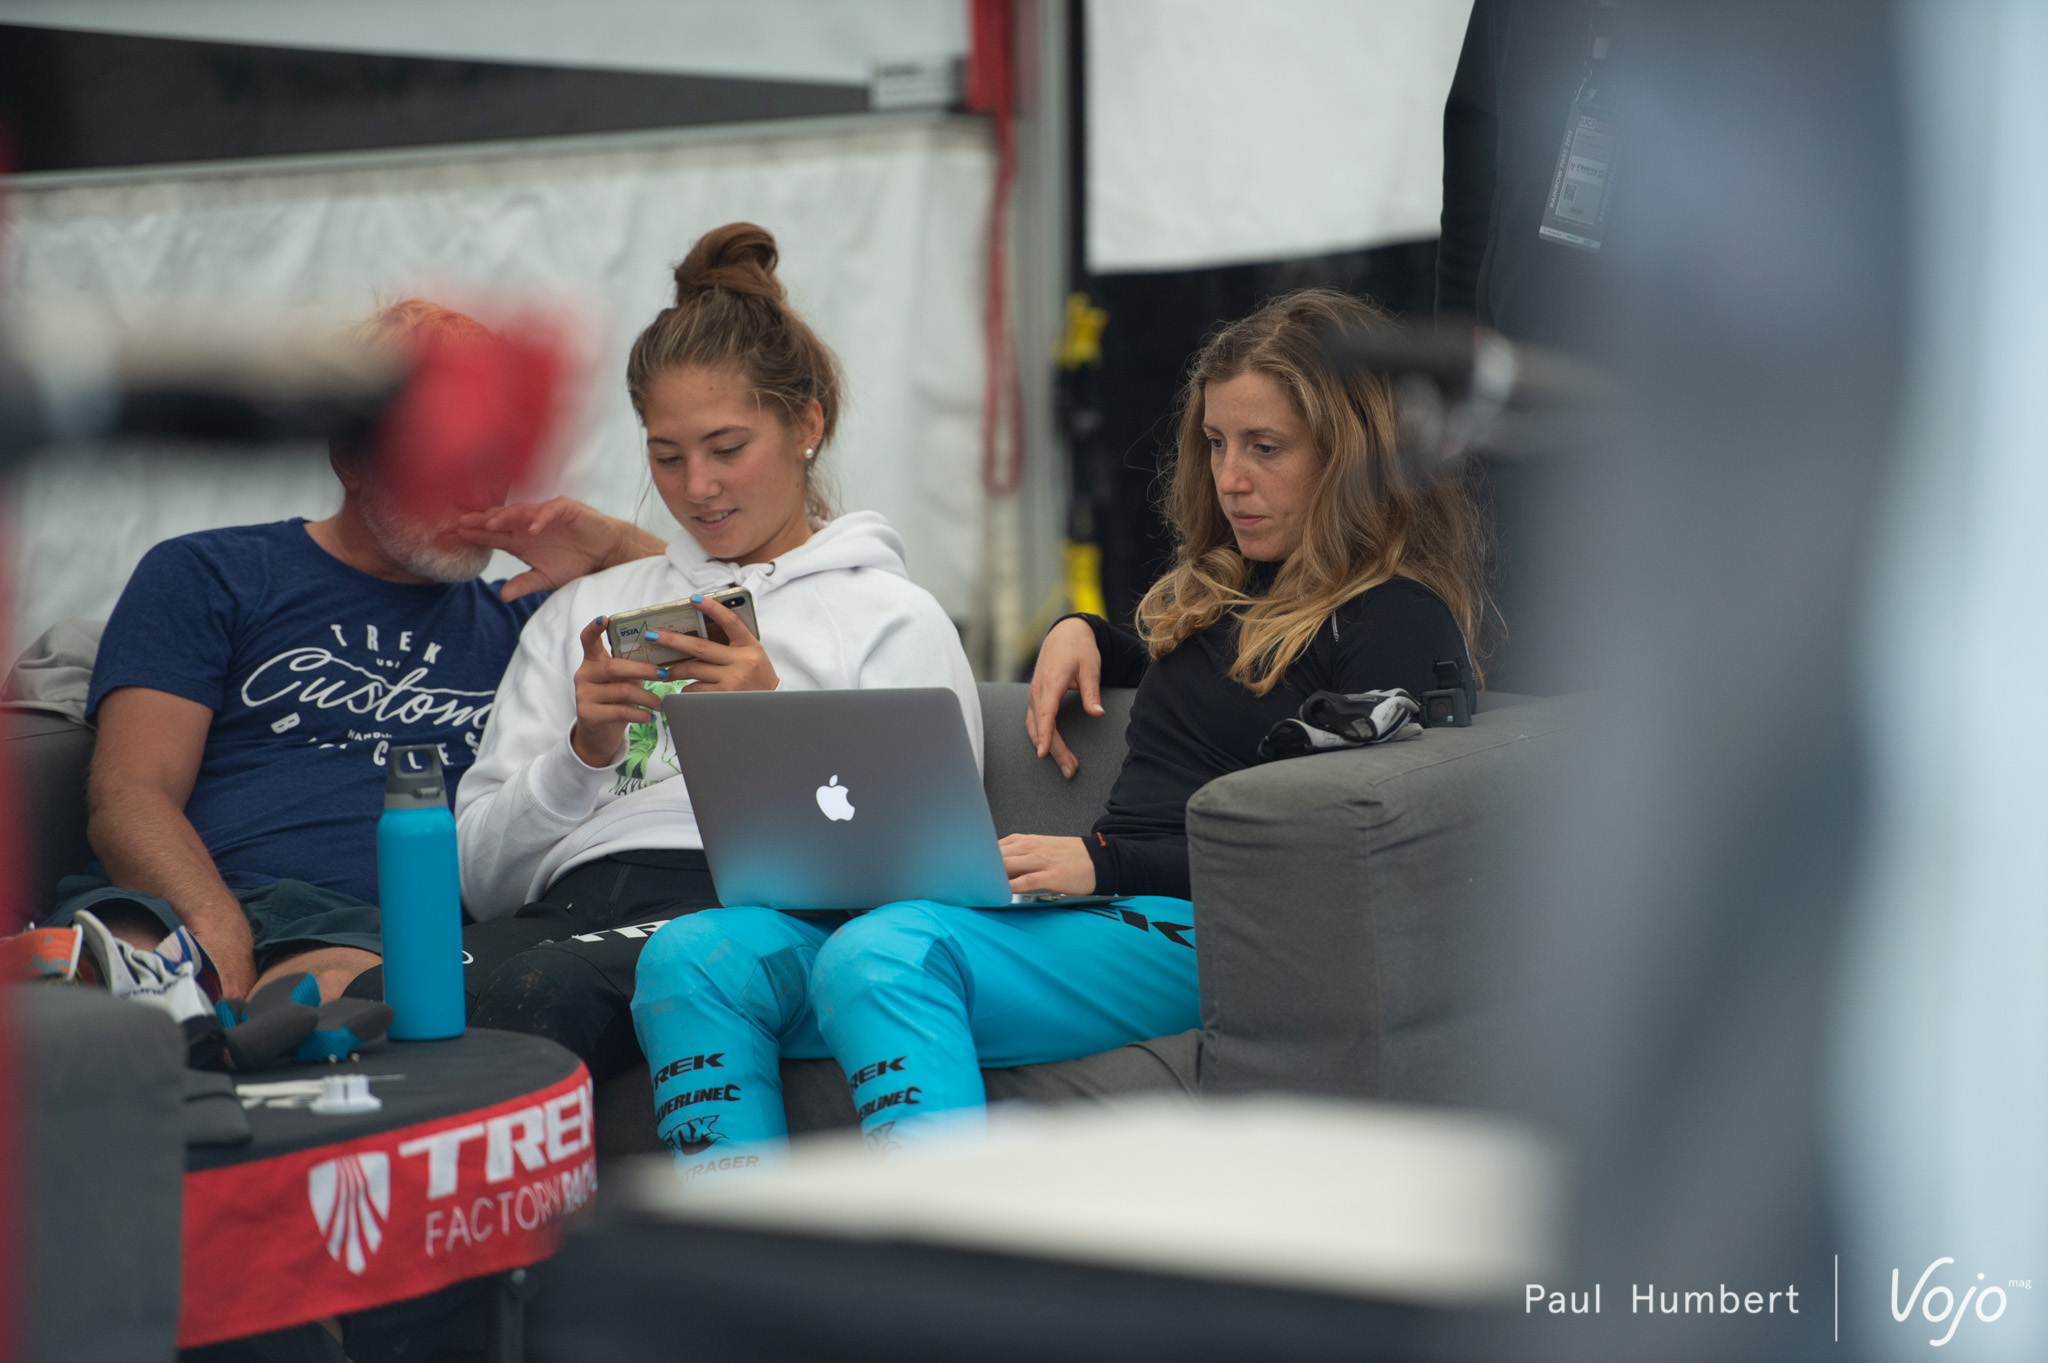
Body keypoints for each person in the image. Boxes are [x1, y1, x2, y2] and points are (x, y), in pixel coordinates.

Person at [629, 287, 1489, 1179]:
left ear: (1351, 455)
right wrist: (1090, 632)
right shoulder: (1236, 590)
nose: (1230, 477)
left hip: (1204, 932)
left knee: (887, 954)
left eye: (1265, 448)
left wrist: (1106, 862)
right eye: (1215, 442)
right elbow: (1219, 683)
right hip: (1103, 911)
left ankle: (940, 1255)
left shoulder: (1397, 618)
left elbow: (1339, 855)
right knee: (695, 958)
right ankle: (731, 1243)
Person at [449, 222, 979, 1096]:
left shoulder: (890, 615)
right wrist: (582, 752)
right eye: (666, 455)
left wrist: (770, 729)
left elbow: (932, 878)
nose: (697, 486)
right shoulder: (587, 607)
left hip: (745, 913)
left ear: (807, 424)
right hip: (569, 898)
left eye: (728, 449)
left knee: (538, 990)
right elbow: (479, 881)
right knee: (384, 998)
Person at [39, 299, 664, 1002]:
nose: (476, 489)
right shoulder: (211, 571)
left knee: (328, 994)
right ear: (349, 458)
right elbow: (129, 795)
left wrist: (613, 545)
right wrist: (217, 930)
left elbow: (718, 601)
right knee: (119, 979)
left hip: (374, 935)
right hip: (178, 900)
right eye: (441, 458)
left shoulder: (528, 618)